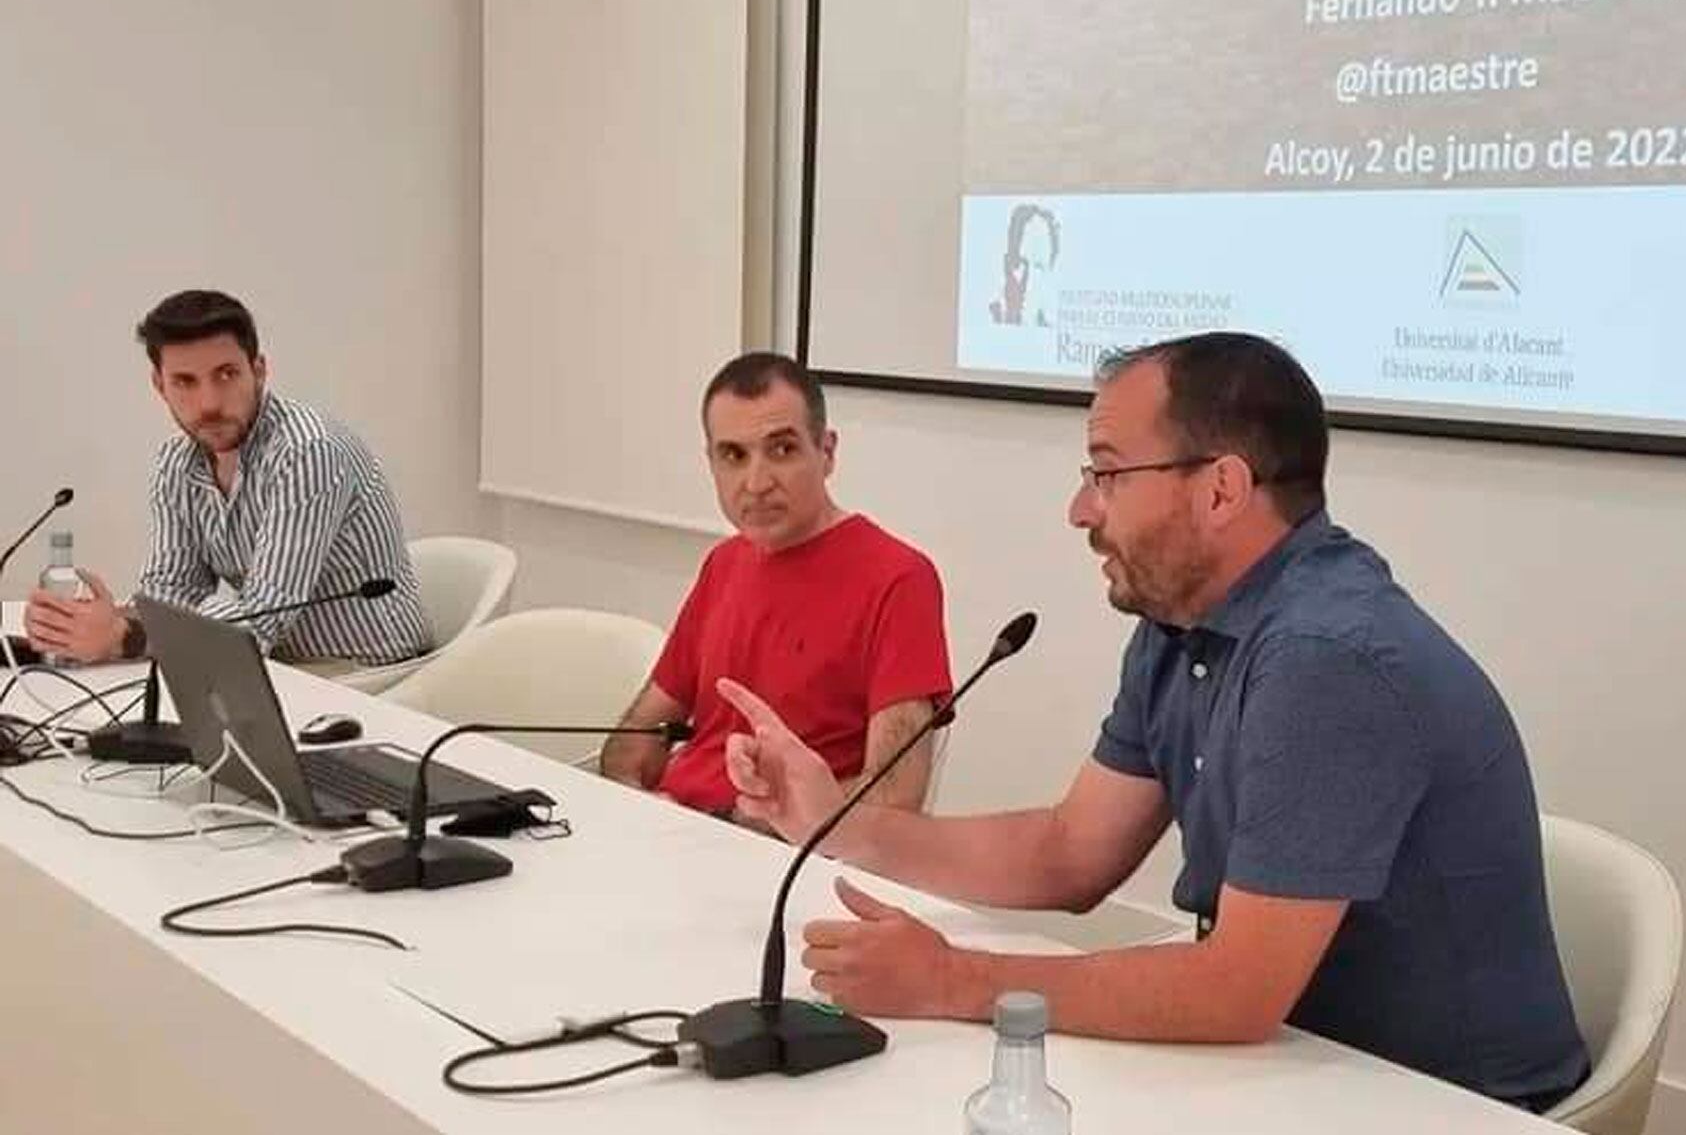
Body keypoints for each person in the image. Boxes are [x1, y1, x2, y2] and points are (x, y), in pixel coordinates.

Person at [719, 333, 1591, 1111]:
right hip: (1302, 1064)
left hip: (1447, 1104)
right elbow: (1069, 853)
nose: (1080, 509)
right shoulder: (1184, 623)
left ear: (1221, 489)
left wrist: (956, 978)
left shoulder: (1329, 656)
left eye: (1106, 472)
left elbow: (1235, 990)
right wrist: (836, 820)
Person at [600, 352, 952, 818]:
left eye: (782, 450)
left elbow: (893, 796)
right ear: (710, 463)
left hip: (786, 856)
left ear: (826, 453)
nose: (756, 482)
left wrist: (767, 822)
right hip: (677, 836)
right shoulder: (724, 563)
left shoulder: (899, 577)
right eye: (733, 456)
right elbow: (633, 746)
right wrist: (635, 807)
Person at [23, 289, 431, 672]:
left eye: (226, 374)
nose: (209, 404)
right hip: (280, 667)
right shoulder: (176, 464)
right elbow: (171, 593)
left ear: (259, 371)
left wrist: (124, 636)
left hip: (369, 674)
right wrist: (84, 624)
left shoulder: (307, 452)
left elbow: (262, 619)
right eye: (185, 381)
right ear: (159, 385)